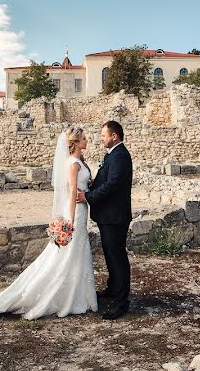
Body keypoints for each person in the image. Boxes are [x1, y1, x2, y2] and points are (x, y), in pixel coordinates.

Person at [0, 126, 98, 320]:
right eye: (85, 139)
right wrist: (69, 220)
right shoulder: (73, 163)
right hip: (76, 212)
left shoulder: (80, 161)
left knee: (77, 253)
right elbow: (71, 191)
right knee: (69, 253)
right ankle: (63, 296)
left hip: (81, 209)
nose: (87, 141)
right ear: (76, 142)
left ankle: (79, 294)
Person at [76, 120, 133, 320]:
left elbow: (114, 184)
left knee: (117, 257)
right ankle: (112, 288)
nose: (101, 139)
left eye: (103, 135)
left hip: (114, 216)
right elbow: (105, 180)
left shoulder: (120, 156)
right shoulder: (113, 154)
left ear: (114, 136)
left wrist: (87, 197)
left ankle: (121, 302)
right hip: (108, 215)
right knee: (110, 254)